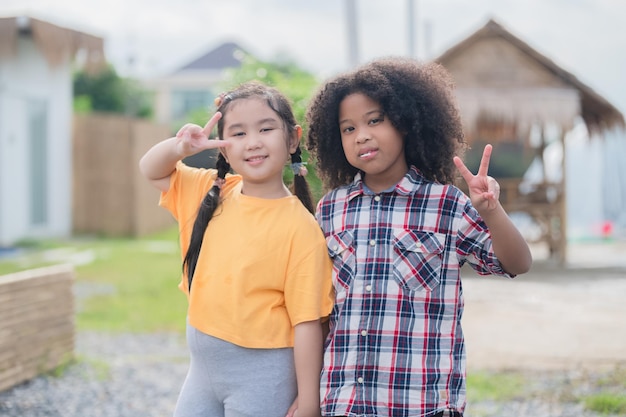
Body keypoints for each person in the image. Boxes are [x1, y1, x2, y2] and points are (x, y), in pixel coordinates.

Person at [303, 57, 533, 417]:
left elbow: (516, 263)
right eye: (348, 128)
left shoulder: (446, 204)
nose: (361, 134)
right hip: (344, 402)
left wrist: (490, 211)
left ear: (406, 122)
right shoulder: (330, 210)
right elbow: (318, 313)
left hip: (422, 404)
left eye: (374, 120)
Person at [139, 81, 333, 417]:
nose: (253, 142)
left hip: (263, 377)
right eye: (239, 133)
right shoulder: (210, 190)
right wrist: (180, 147)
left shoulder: (301, 228)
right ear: (225, 149)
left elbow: (307, 323)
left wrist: (309, 400)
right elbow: (150, 169)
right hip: (202, 371)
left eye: (266, 128)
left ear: (292, 139)